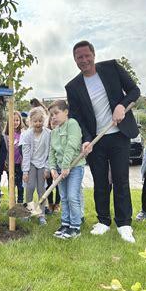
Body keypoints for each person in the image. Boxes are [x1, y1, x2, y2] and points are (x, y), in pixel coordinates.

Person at [65, 40, 140, 243]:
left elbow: (134, 91)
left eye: (87, 55)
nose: (84, 60)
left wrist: (122, 106)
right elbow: (78, 117)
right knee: (99, 181)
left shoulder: (112, 68)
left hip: (119, 135)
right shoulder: (73, 87)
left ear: (94, 55)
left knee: (121, 180)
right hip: (96, 140)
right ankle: (103, 221)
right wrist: (87, 139)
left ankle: (124, 224)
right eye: (79, 57)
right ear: (75, 60)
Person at [48, 100, 85, 239]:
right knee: (63, 197)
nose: (54, 117)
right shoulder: (54, 132)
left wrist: (65, 166)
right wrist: (52, 168)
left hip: (74, 167)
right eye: (51, 115)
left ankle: (75, 227)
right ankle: (66, 224)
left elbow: (72, 145)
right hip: (60, 169)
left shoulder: (72, 124)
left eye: (56, 113)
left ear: (66, 112)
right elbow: (51, 151)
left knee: (72, 196)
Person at [20, 107, 51, 226]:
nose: (38, 123)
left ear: (44, 120)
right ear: (30, 121)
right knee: (29, 187)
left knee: (41, 189)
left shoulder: (48, 134)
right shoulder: (27, 135)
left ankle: (41, 214)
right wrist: (25, 172)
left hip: (43, 164)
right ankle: (28, 211)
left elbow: (50, 152)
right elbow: (26, 154)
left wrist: (47, 168)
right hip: (31, 163)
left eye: (40, 121)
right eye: (35, 121)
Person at [4, 111, 24, 204]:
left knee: (20, 184)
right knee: (11, 183)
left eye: (17, 120)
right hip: (10, 163)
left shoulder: (23, 134)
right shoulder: (6, 135)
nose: (15, 122)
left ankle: (20, 201)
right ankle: (12, 201)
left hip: (20, 163)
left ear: (20, 121)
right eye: (13, 120)